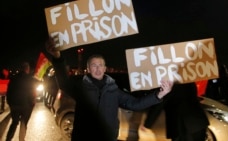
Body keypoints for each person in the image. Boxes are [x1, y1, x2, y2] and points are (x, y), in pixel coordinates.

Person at [45, 36, 174, 141]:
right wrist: (57, 57)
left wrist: (159, 94)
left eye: (100, 65)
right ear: (88, 69)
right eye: (94, 65)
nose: (98, 68)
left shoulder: (114, 90)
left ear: (105, 69)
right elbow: (63, 83)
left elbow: (136, 104)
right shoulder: (80, 87)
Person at [141, 82, 210, 141]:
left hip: (182, 127)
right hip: (199, 123)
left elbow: (158, 105)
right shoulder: (188, 79)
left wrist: (147, 124)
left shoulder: (167, 84)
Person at [5, 62, 37, 141]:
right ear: (27, 69)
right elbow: (32, 93)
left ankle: (8, 139)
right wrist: (32, 103)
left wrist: (10, 103)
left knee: (14, 123)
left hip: (14, 105)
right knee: (23, 123)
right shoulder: (30, 79)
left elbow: (8, 92)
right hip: (25, 105)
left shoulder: (14, 78)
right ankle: (21, 139)